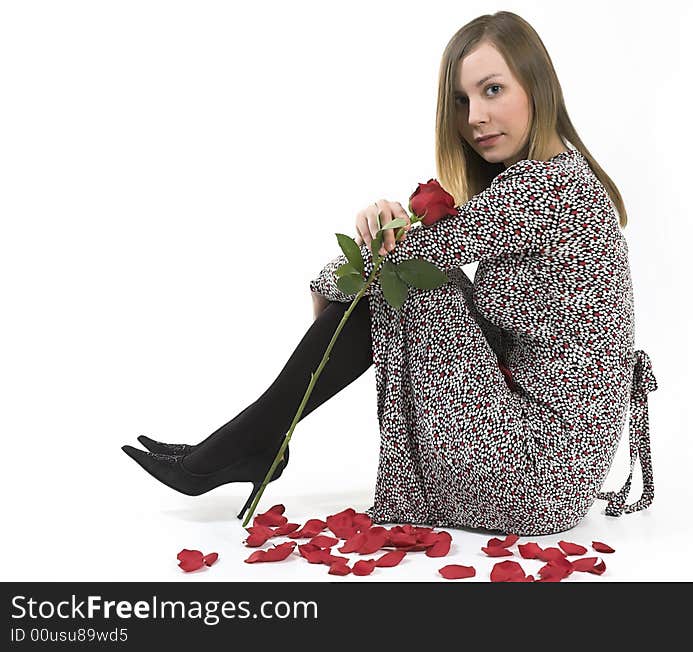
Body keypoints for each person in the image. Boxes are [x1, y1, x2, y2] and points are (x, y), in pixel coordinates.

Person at [122, 10, 658, 534]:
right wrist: (380, 247)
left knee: (411, 281)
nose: (473, 117)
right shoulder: (560, 177)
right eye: (461, 100)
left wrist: (335, 282)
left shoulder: (544, 188)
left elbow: (391, 266)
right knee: (416, 277)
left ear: (538, 87)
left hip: (534, 476)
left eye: (492, 90)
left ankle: (249, 444)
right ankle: (252, 442)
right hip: (556, 471)